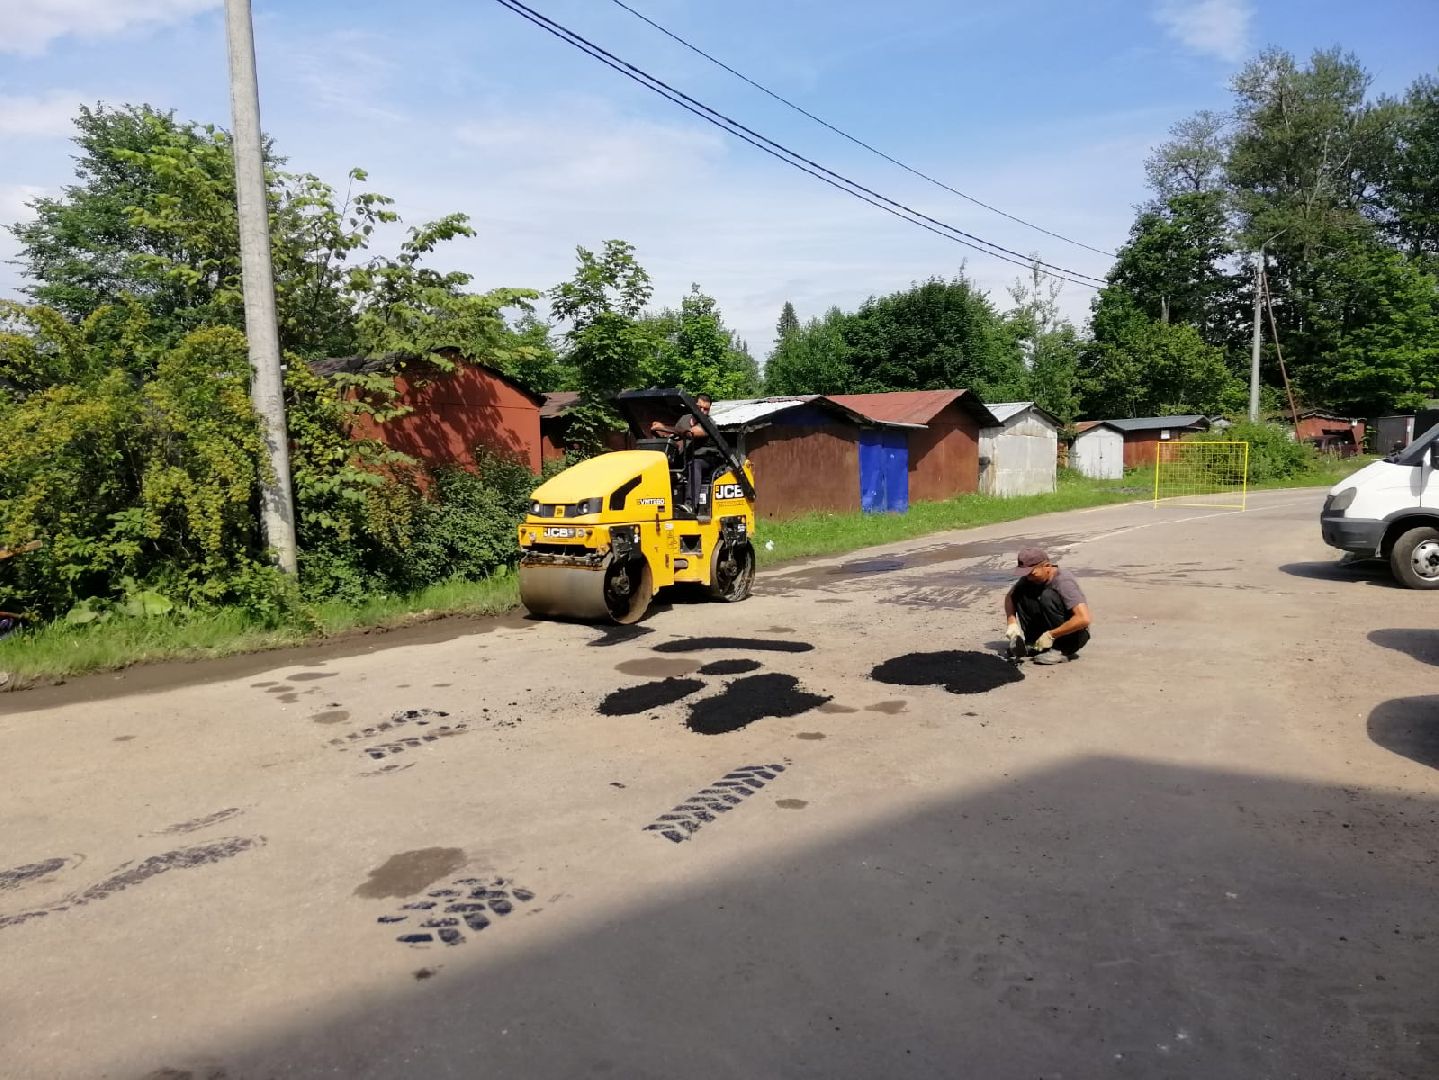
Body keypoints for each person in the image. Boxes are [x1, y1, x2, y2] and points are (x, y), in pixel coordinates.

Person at [1003, 547, 1091, 661]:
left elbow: (1083, 619)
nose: (1028, 578)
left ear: (1047, 567)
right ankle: (1035, 644)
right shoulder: (1029, 579)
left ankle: (1061, 649)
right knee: (1021, 592)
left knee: (1047, 596)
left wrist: (1051, 635)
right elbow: (1010, 597)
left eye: (1032, 573)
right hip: (1048, 630)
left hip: (1074, 636)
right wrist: (1011, 623)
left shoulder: (1063, 582)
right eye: (1025, 574)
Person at [649, 394, 716, 511]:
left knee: (695, 464)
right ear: (693, 406)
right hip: (686, 457)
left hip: (706, 458)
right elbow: (675, 435)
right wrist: (658, 430)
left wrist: (664, 427)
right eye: (700, 407)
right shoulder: (684, 419)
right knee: (663, 465)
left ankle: (690, 505)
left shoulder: (708, 423)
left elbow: (690, 434)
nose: (703, 411)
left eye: (706, 409)